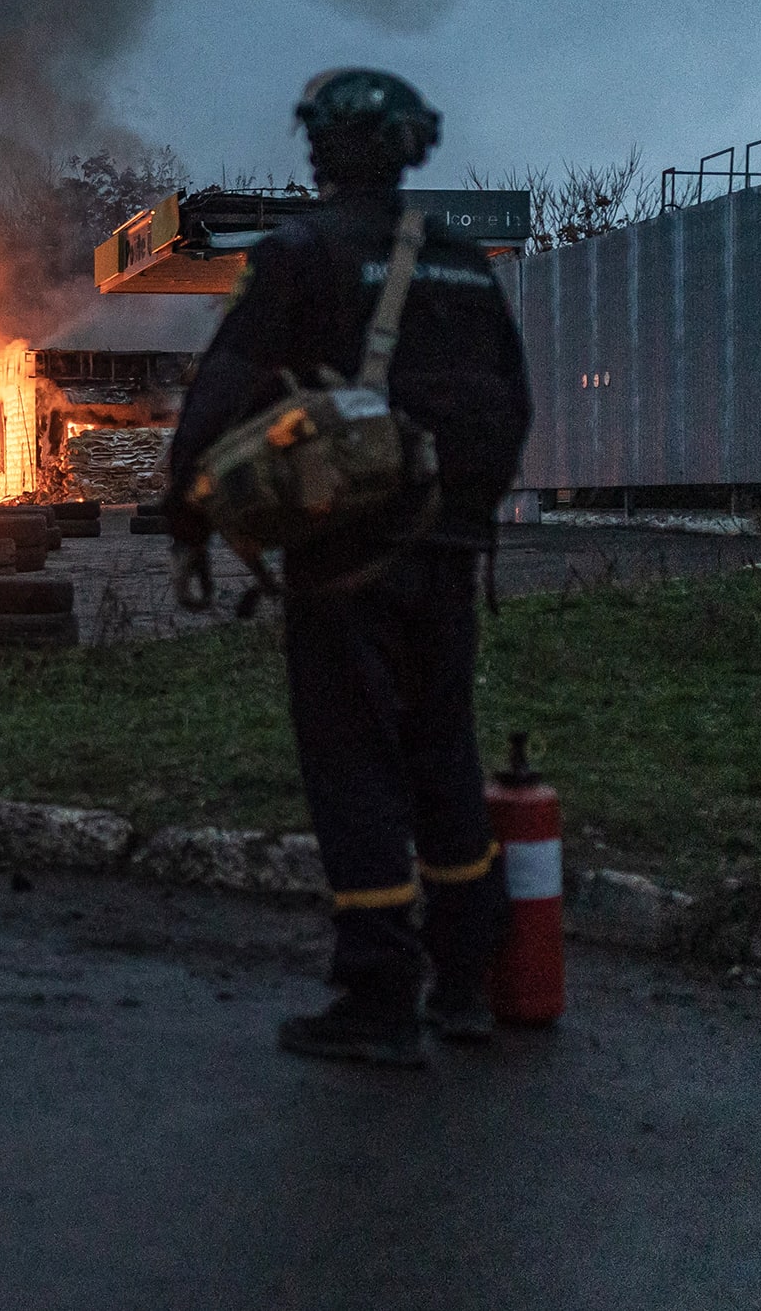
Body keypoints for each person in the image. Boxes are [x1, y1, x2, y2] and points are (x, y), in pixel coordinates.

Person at [164, 69, 532, 1068]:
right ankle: (465, 982)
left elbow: (226, 383)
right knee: (443, 755)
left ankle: (377, 993)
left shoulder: (299, 255)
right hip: (450, 550)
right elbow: (512, 399)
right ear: (412, 145)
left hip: (343, 553)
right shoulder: (460, 260)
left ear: (319, 150)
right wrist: (459, 514)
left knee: (353, 760)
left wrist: (185, 512)